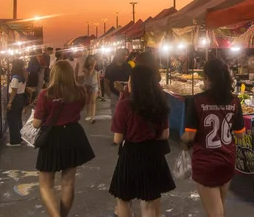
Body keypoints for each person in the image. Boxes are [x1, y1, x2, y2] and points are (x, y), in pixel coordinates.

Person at [182, 59, 246, 217]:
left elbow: (189, 135)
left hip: (206, 163)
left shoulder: (196, 101)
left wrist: (182, 140)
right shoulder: (234, 101)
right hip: (227, 160)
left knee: (215, 213)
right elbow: (241, 134)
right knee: (219, 208)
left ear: (207, 78)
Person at [109, 65, 175, 217]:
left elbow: (117, 139)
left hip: (131, 155)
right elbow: (165, 135)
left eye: (130, 80)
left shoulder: (124, 105)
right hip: (153, 155)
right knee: (149, 203)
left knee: (124, 199)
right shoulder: (160, 103)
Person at [33, 61, 95, 217]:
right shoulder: (79, 92)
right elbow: (81, 108)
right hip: (73, 135)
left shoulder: (46, 94)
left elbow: (36, 123)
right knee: (68, 182)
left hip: (52, 137)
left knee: (46, 184)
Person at [104, 49, 132, 118]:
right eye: (122, 55)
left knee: (126, 113)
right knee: (116, 114)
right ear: (117, 55)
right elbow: (106, 81)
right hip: (114, 93)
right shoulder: (110, 67)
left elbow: (131, 78)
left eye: (125, 55)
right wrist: (109, 93)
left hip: (126, 93)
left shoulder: (128, 66)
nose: (124, 57)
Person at [6, 59, 27, 147]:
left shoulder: (15, 77)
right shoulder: (23, 75)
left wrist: (10, 102)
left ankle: (15, 141)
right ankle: (19, 138)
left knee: (12, 120)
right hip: (21, 98)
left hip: (15, 98)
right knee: (18, 119)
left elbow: (14, 91)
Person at [83, 55, 99, 123]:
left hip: (94, 85)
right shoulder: (85, 68)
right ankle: (88, 114)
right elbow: (89, 74)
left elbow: (98, 77)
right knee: (87, 101)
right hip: (87, 85)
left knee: (93, 101)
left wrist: (100, 88)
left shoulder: (96, 67)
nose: (92, 61)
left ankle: (93, 117)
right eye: (90, 59)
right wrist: (93, 66)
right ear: (87, 60)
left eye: (93, 59)